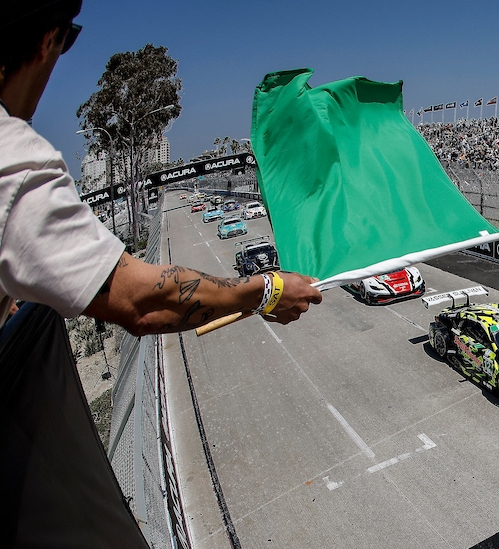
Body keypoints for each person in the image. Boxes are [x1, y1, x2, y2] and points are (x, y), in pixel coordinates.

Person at [0, 0, 322, 333]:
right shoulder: (13, 159)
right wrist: (268, 290)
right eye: (68, 39)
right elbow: (142, 301)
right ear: (47, 39)